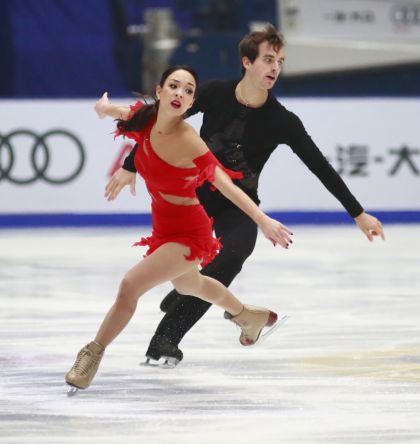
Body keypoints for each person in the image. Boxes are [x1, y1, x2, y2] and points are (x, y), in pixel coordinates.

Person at [105, 24, 385, 368]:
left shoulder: (283, 120)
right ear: (247, 62)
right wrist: (131, 164)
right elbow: (164, 121)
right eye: (268, 59)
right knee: (196, 263)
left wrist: (358, 213)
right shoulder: (215, 93)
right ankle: (188, 290)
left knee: (237, 250)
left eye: (279, 62)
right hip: (195, 195)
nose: (274, 68)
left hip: (238, 200)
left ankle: (168, 333)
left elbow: (320, 166)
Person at [65, 65, 293, 391]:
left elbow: (225, 184)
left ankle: (92, 354)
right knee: (192, 285)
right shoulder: (145, 119)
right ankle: (247, 315)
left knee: (130, 286)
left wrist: (262, 219)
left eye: (188, 91)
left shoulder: (189, 141)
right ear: (159, 91)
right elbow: (122, 112)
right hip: (163, 226)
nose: (179, 93)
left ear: (191, 103)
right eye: (173, 86)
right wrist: (104, 109)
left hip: (188, 233)